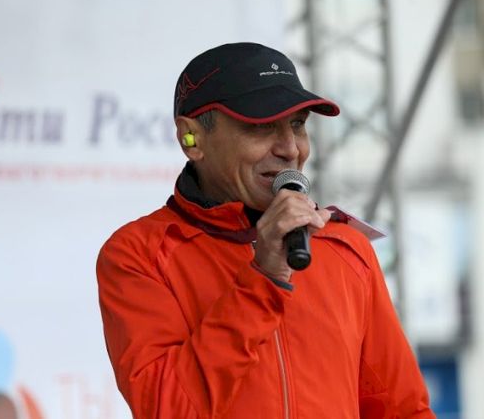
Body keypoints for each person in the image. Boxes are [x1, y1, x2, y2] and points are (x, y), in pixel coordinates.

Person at [97, 42, 434, 418]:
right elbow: (167, 410)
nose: (290, 149)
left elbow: (402, 410)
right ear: (191, 138)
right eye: (260, 126)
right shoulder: (139, 254)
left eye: (298, 125)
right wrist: (264, 280)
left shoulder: (344, 246)